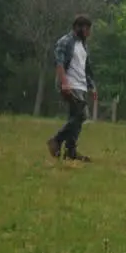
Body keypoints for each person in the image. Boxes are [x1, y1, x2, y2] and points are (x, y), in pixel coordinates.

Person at [47, 14, 98, 162]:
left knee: (75, 118)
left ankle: (71, 152)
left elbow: (85, 69)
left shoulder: (83, 45)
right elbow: (59, 63)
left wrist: (92, 87)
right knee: (82, 115)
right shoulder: (65, 42)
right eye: (87, 29)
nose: (88, 33)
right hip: (70, 84)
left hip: (81, 85)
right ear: (77, 27)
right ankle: (56, 140)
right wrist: (64, 83)